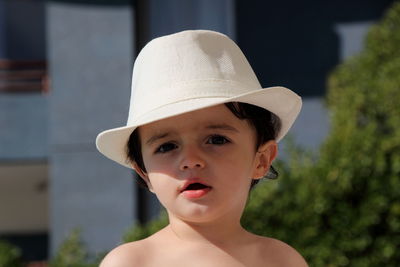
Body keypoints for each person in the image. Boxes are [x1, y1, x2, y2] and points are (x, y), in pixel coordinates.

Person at [96, 30, 308, 267]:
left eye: (216, 140)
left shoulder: (280, 260)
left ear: (261, 160)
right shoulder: (131, 262)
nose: (190, 159)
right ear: (145, 174)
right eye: (166, 146)